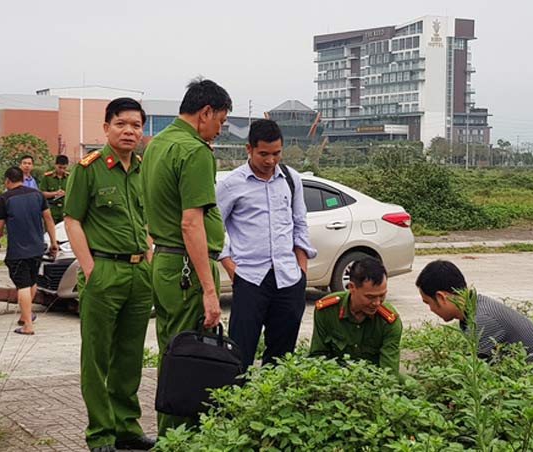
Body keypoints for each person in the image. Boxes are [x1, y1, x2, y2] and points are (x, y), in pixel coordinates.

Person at [141, 79, 232, 436]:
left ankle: (169, 435)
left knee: (173, 351)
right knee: (193, 357)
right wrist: (210, 291)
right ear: (205, 112)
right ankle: (183, 440)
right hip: (188, 266)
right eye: (221, 121)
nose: (220, 130)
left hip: (165, 263)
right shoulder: (194, 151)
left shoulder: (157, 144)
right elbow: (191, 223)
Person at [64, 98, 155, 452]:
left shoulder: (143, 169)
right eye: (121, 124)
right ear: (106, 128)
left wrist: (147, 253)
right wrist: (90, 268)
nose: (129, 130)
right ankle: (101, 434)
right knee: (97, 357)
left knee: (130, 355)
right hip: (104, 272)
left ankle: (127, 427)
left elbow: (145, 218)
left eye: (136, 125)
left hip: (138, 274)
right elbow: (73, 219)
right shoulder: (89, 169)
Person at [216, 119, 316, 370]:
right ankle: (236, 406)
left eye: (276, 153)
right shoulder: (231, 184)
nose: (270, 161)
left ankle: (273, 407)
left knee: (282, 356)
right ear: (249, 149)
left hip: (288, 279)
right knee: (240, 353)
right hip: (249, 278)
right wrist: (231, 268)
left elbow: (299, 224)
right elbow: (215, 228)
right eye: (264, 154)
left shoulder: (291, 179)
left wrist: (301, 271)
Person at [415, 259, 533, 372]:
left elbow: (472, 373)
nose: (431, 309)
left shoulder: (482, 320)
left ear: (441, 297)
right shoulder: (475, 307)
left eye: (428, 303)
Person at [0, 167, 58, 335]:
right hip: (37, 247)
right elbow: (49, 219)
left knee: (22, 285)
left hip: (18, 250)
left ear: (7, 181)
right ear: (23, 178)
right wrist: (53, 242)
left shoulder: (4, 198)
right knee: (31, 281)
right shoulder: (37, 195)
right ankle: (25, 315)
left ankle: (28, 325)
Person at [309, 257, 402, 375]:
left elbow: (389, 373)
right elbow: (318, 356)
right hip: (335, 379)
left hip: (374, 381)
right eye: (370, 297)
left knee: (409, 384)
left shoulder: (389, 321)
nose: (377, 303)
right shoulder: (327, 310)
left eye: (382, 295)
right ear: (352, 288)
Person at [39, 154, 70, 223]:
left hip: (64, 211)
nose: (62, 170)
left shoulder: (69, 178)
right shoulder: (47, 177)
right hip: (51, 210)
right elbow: (41, 193)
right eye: (60, 167)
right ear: (55, 165)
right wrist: (55, 193)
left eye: (64, 168)